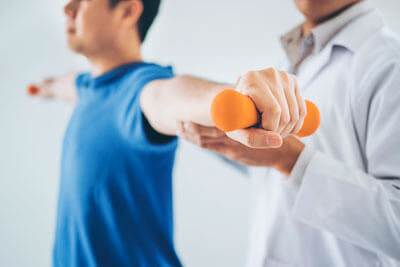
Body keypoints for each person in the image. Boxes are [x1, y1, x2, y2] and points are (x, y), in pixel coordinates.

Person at [28, 0, 306, 266]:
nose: (67, 7)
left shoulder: (142, 90)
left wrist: (237, 97)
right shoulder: (86, 87)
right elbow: (66, 85)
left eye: (84, 0)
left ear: (127, 12)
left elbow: (174, 97)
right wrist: (46, 88)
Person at [177, 0, 400, 266]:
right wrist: (234, 147)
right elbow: (283, 181)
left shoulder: (390, 64)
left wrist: (292, 160)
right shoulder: (292, 59)